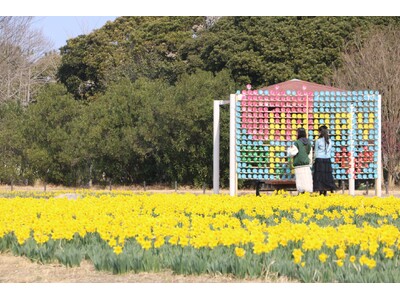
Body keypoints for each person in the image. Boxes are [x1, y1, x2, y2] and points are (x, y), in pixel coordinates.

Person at [313, 125, 337, 196]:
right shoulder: (330, 141)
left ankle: (321, 190)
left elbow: (316, 152)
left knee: (319, 176)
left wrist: (314, 161)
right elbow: (329, 151)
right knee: (327, 176)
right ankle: (326, 190)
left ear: (320, 132)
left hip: (319, 160)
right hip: (327, 160)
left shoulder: (318, 141)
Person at [287, 127, 313, 194]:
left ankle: (301, 193)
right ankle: (308, 193)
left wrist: (289, 150)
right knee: (307, 180)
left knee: (300, 181)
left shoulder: (297, 143)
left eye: (296, 133)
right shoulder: (308, 142)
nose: (296, 135)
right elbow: (309, 152)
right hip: (306, 164)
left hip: (299, 165)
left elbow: (293, 153)